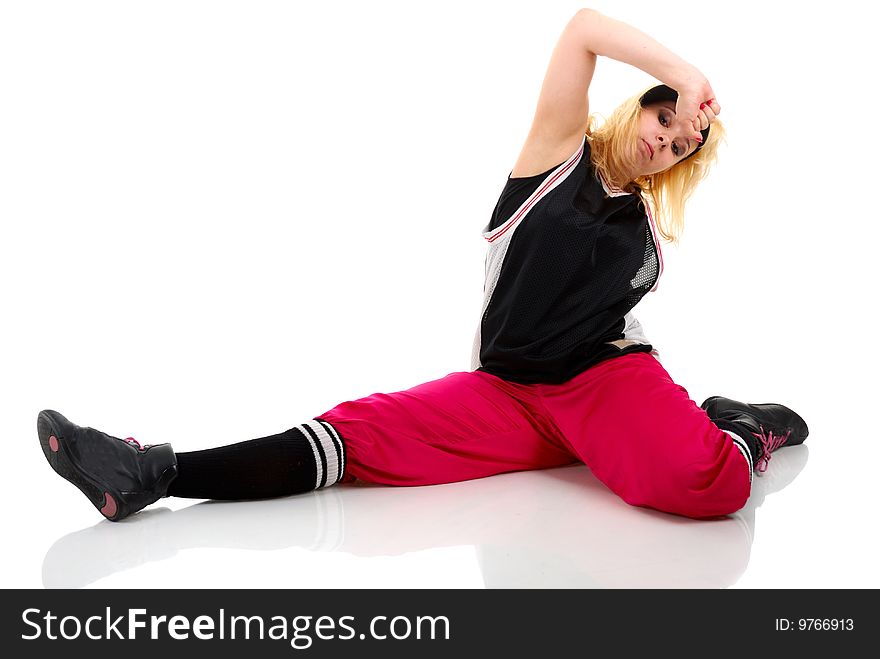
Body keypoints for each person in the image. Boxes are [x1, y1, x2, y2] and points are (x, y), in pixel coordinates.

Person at [37, 9, 808, 523]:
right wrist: (689, 72)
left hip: (604, 382)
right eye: (662, 115)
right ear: (639, 103)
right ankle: (152, 472)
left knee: (713, 487)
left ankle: (739, 423)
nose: (663, 138)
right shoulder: (556, 152)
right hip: (509, 389)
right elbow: (582, 28)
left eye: (678, 146)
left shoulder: (643, 228)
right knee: (360, 437)